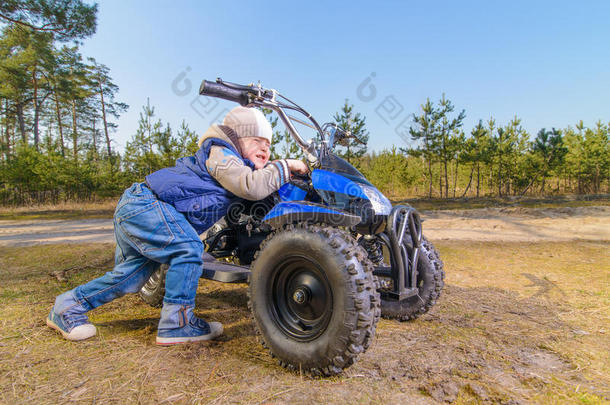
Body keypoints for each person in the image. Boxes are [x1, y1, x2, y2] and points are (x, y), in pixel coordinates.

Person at [47, 106, 309, 345]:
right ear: (235, 139)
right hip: (145, 204)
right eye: (257, 141)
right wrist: (286, 166)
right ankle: (177, 324)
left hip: (140, 207)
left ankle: (67, 307)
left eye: (268, 144)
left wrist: (277, 169)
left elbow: (253, 180)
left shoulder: (235, 163)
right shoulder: (221, 153)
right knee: (188, 248)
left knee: (129, 278)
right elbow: (250, 185)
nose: (265, 148)